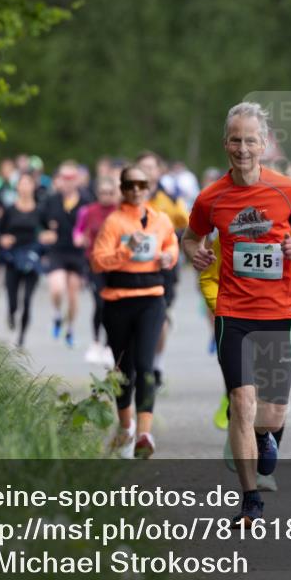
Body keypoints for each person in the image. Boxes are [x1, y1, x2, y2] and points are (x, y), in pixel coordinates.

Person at [182, 102, 291, 527]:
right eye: (234, 140)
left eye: (250, 140)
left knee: (272, 415)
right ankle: (250, 499)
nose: (242, 148)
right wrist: (196, 252)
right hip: (233, 312)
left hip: (280, 311)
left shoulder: (288, 192)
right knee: (241, 403)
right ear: (225, 143)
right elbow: (190, 238)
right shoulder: (211, 197)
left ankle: (263, 437)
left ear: (264, 145)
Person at [199, 225, 291, 491]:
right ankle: (250, 489)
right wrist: (223, 309)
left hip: (279, 325)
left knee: (273, 416)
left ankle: (259, 433)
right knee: (244, 395)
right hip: (237, 324)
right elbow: (208, 277)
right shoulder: (230, 236)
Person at [91, 165, 178, 459]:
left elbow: (171, 246)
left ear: (149, 187)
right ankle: (125, 427)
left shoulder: (161, 219)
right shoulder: (114, 223)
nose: (136, 190)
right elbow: (98, 262)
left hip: (151, 299)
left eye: (142, 185)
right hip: (118, 301)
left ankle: (144, 434)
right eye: (130, 185)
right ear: (123, 188)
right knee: (123, 370)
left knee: (146, 365)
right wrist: (126, 252)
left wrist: (169, 256)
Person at [137, 150, 190, 389]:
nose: (148, 171)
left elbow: (187, 226)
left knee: (159, 318)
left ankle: (155, 364)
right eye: (143, 167)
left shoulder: (170, 199)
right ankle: (134, 362)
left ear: (159, 171)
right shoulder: (128, 199)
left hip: (163, 268)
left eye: (152, 167)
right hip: (133, 267)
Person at [0, 172, 52, 348]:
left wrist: (47, 238)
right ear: (17, 187)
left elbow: (49, 232)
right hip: (13, 258)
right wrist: (3, 239)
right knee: (13, 299)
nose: (25, 187)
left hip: (32, 258)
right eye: (22, 184)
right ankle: (12, 314)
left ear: (33, 187)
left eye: (28, 183)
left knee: (28, 299)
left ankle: (21, 336)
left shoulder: (40, 210)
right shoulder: (10, 210)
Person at [41, 161, 92, 347]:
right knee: (56, 287)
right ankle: (56, 315)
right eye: (64, 178)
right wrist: (44, 233)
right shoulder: (51, 200)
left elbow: (94, 226)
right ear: (59, 180)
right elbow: (39, 222)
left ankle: (70, 328)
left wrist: (88, 238)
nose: (68, 182)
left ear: (78, 179)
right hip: (57, 251)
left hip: (77, 253)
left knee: (72, 296)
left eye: (71, 178)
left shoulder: (86, 200)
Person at [74, 174, 121, 367]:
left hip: (116, 264)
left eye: (110, 193)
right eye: (103, 192)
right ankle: (95, 342)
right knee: (100, 303)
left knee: (112, 304)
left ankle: (110, 345)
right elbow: (78, 230)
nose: (106, 196)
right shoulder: (89, 211)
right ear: (97, 193)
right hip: (94, 263)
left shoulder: (120, 212)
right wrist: (79, 238)